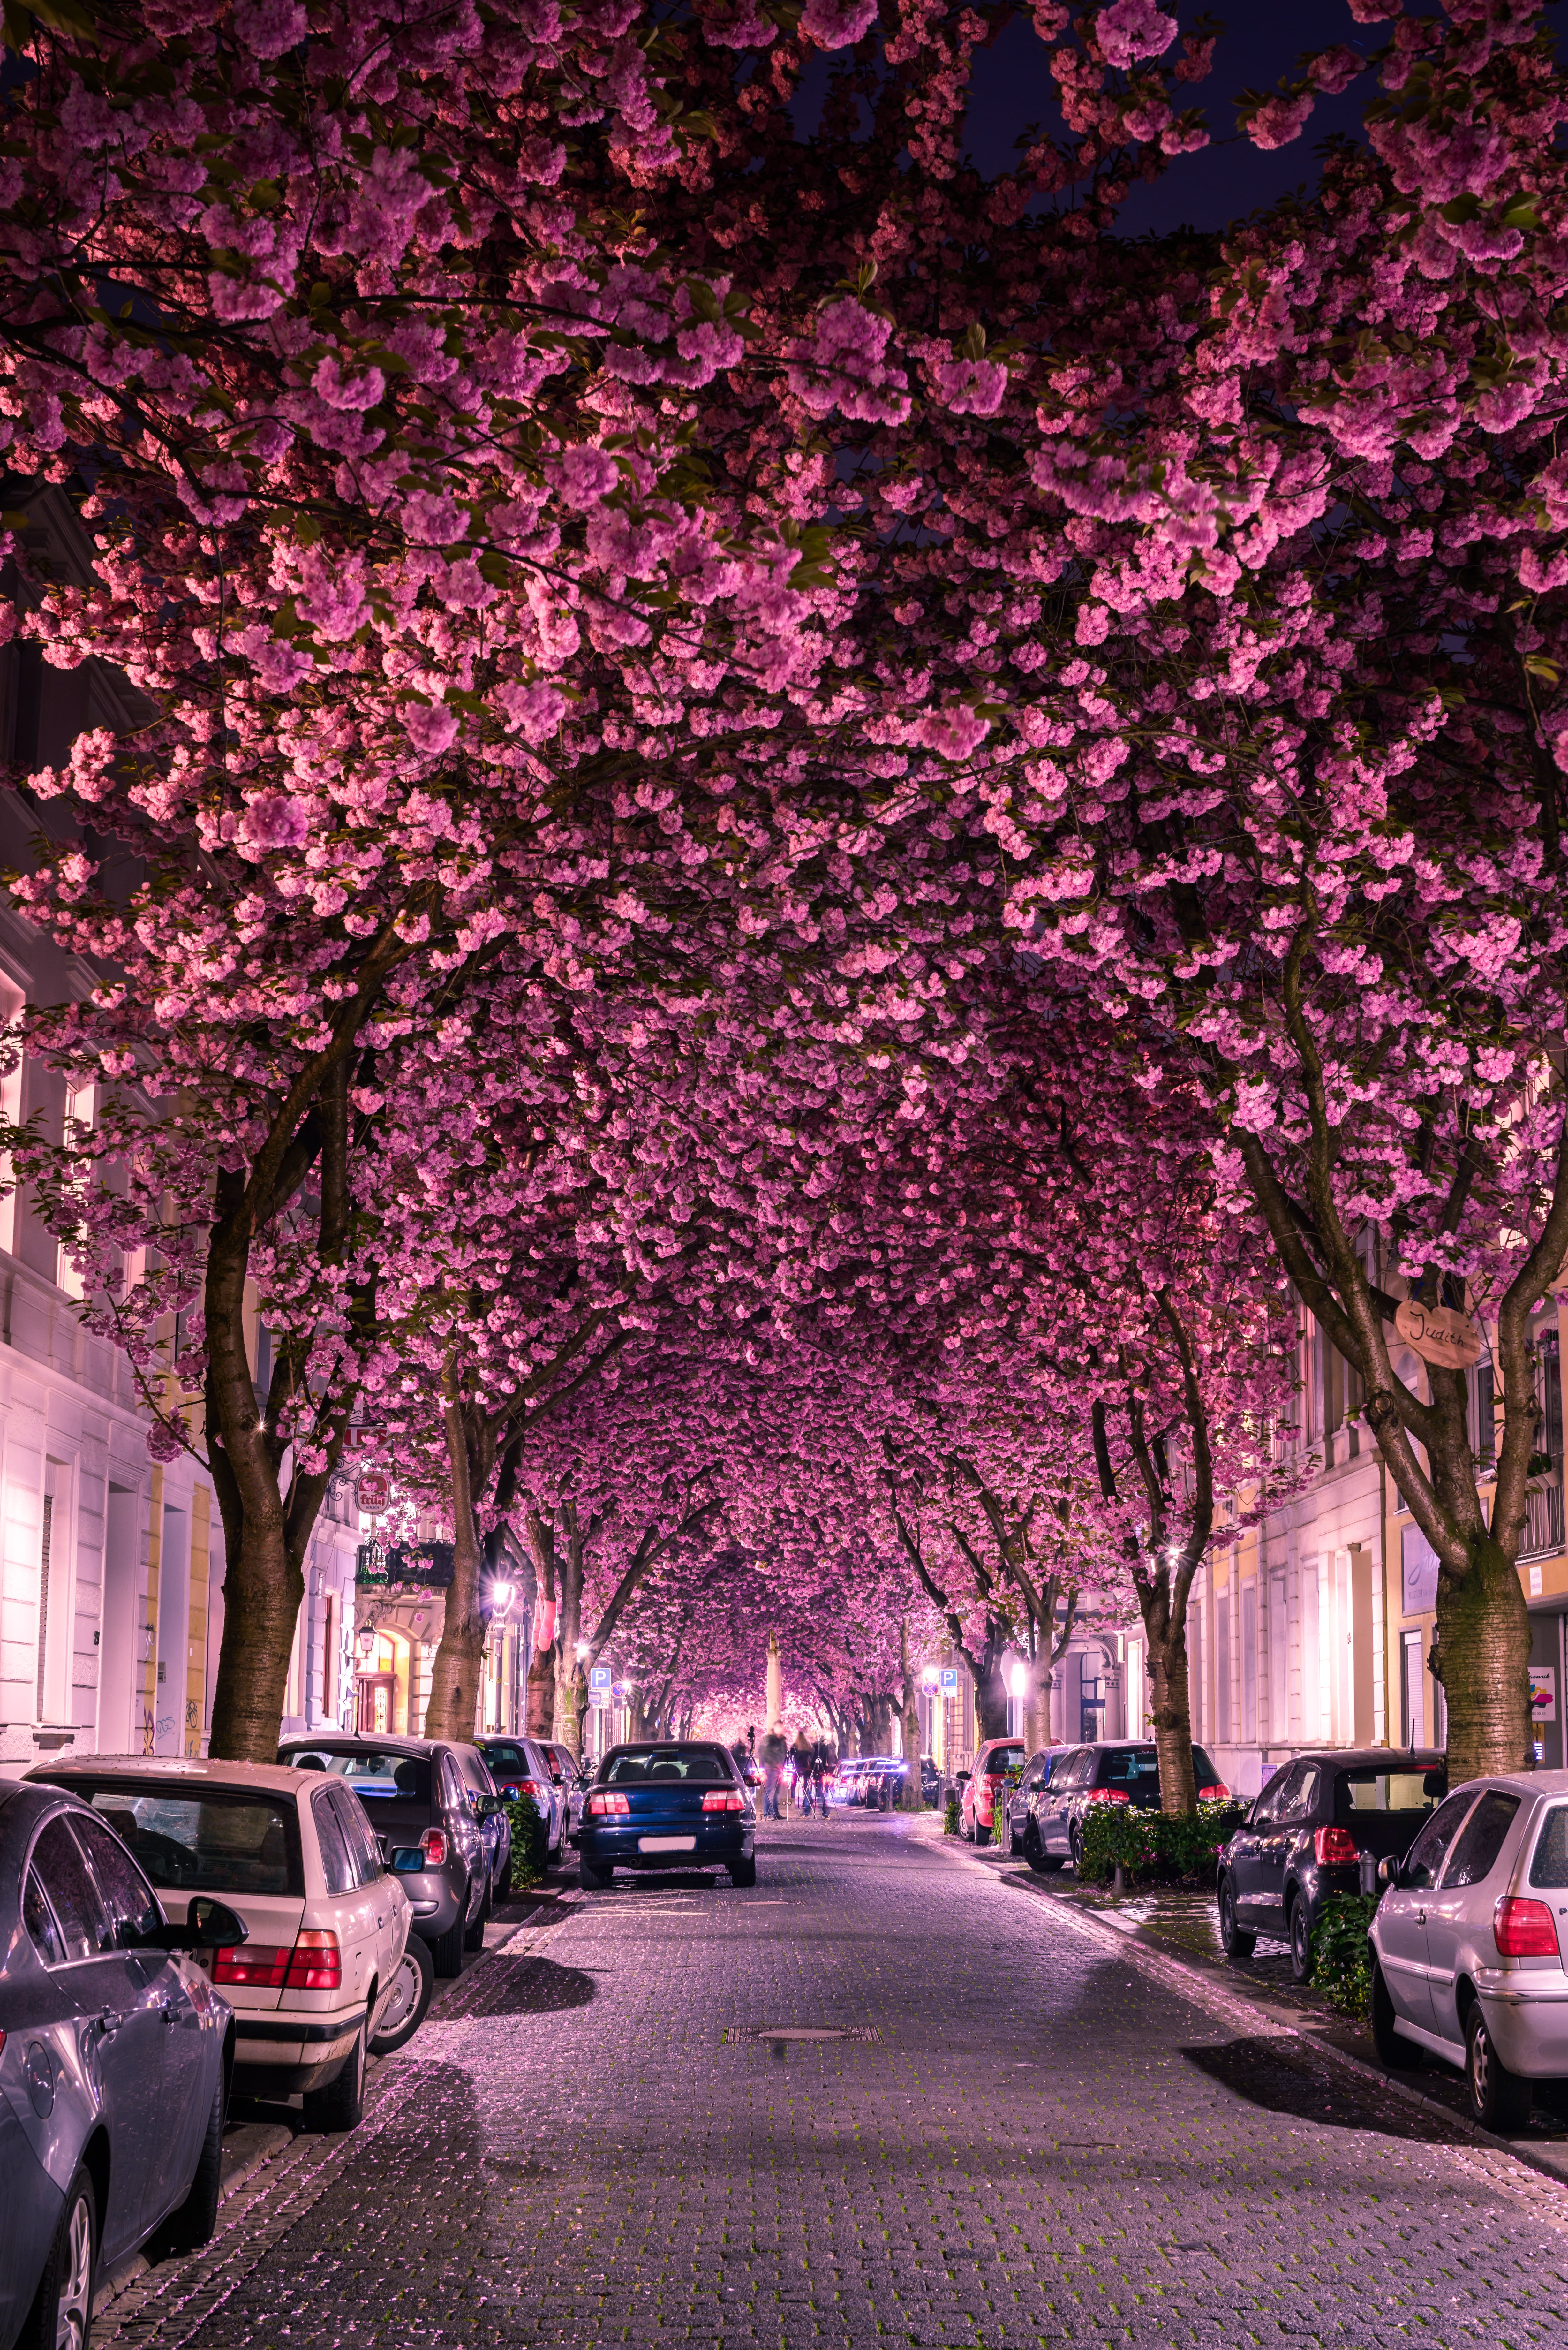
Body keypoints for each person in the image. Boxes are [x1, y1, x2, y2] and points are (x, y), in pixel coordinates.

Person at [759, 1721, 788, 1821]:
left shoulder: (782, 1741)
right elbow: (763, 1753)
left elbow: (784, 1754)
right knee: (771, 1791)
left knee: (776, 1792)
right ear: (775, 1728)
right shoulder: (770, 1740)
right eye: (780, 1727)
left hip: (779, 1768)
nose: (782, 1729)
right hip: (771, 1768)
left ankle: (775, 1813)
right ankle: (767, 1814)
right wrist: (764, 1768)